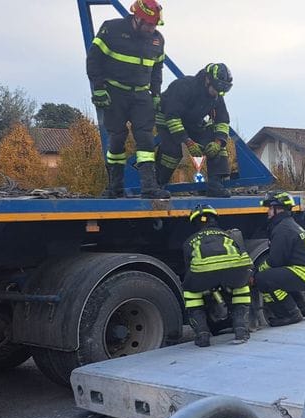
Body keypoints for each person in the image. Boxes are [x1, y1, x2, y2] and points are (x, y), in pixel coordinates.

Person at [86, 0, 170, 199]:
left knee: (146, 138)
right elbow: (93, 59)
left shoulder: (157, 40)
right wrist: (98, 88)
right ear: (137, 17)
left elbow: (157, 69)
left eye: (155, 25)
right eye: (149, 24)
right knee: (116, 137)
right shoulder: (112, 29)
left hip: (141, 95)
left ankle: (149, 187)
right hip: (115, 92)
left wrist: (156, 94)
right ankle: (115, 187)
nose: (152, 29)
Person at [155, 63, 234, 198]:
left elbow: (222, 121)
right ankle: (158, 184)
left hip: (192, 121)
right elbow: (172, 117)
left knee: (217, 146)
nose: (218, 94)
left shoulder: (217, 95)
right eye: (216, 89)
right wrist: (188, 142)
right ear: (208, 80)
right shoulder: (184, 87)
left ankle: (215, 185)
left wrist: (218, 142)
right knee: (172, 151)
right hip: (167, 119)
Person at [181, 205, 253, 346]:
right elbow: (242, 254)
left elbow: (189, 268)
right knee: (241, 288)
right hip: (235, 271)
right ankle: (241, 330)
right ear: (215, 219)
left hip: (204, 274)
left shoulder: (190, 241)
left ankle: (202, 335)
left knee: (191, 293)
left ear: (195, 222)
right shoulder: (228, 235)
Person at [252, 192, 305, 327]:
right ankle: (303, 308)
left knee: (263, 279)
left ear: (278, 209)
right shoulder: (287, 224)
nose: (267, 212)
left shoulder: (282, 229)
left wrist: (256, 272)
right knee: (280, 276)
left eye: (269, 208)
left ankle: (289, 314)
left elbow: (275, 261)